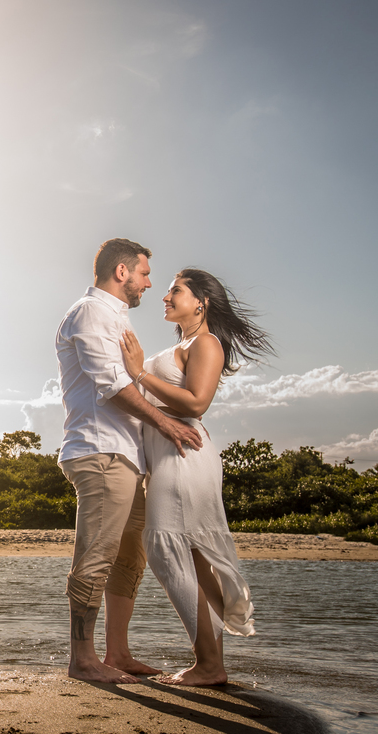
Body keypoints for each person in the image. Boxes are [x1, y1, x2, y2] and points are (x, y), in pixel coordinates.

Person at [56, 238, 204, 684]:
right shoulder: (91, 313)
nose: (149, 282)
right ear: (121, 273)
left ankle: (117, 653)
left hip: (126, 456)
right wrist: (168, 425)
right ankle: (83, 659)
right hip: (100, 452)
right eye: (143, 273)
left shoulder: (113, 317)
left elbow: (129, 383)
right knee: (97, 554)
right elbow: (111, 388)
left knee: (128, 557)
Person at [120, 267, 274, 686]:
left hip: (186, 457)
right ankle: (211, 664)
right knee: (192, 561)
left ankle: (208, 663)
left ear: (201, 301)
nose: (165, 297)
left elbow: (196, 404)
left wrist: (139, 372)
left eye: (175, 291)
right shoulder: (185, 343)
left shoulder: (206, 343)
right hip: (169, 459)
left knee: (169, 552)